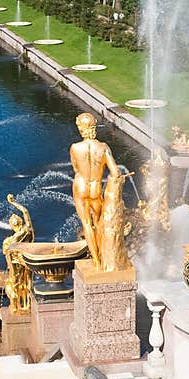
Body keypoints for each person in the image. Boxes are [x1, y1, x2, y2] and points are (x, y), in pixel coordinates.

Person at [70, 112, 120, 270]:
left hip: (80, 186)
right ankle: (104, 258)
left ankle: (97, 262)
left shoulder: (75, 148)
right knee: (99, 223)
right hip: (95, 188)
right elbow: (116, 173)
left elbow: (76, 168)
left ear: (82, 128)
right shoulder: (103, 148)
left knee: (86, 224)